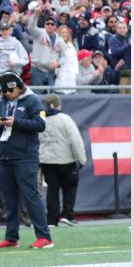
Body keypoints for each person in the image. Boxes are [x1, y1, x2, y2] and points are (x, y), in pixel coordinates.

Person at [0, 72, 53, 249]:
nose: (7, 95)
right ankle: (11, 237)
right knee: (10, 200)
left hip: (25, 157)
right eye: (5, 92)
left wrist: (16, 122)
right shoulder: (2, 103)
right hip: (5, 157)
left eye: (10, 91)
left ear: (19, 87)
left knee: (31, 196)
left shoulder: (33, 101)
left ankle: (44, 236)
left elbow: (40, 125)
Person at [39, 94, 87, 227]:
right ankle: (67, 215)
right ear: (59, 104)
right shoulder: (65, 119)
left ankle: (52, 219)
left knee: (52, 189)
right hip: (65, 160)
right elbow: (75, 140)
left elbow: (36, 140)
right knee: (70, 186)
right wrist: (81, 159)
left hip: (47, 161)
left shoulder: (41, 120)